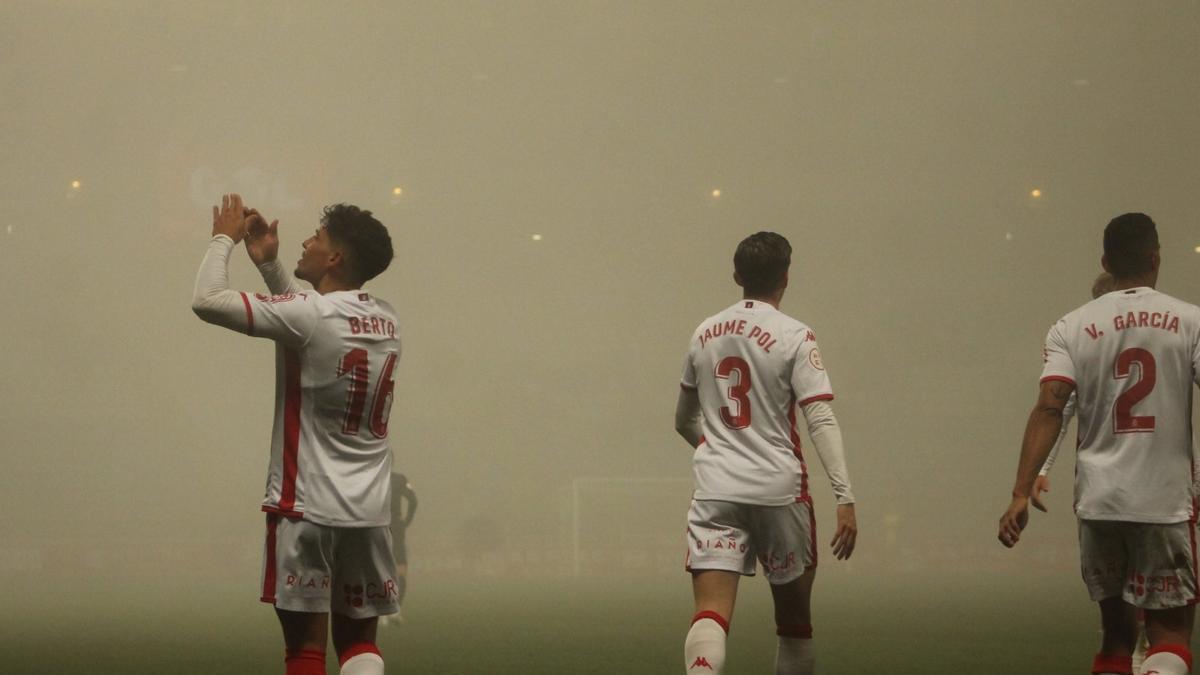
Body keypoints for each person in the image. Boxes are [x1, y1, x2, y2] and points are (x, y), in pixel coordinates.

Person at [193, 194, 401, 675]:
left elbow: (207, 300)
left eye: (317, 237)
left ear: (335, 258)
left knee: (305, 649)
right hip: (368, 510)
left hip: (305, 505)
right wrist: (270, 265)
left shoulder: (310, 317)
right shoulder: (387, 319)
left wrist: (223, 237)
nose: (304, 241)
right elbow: (308, 314)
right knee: (358, 647)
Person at [998, 213, 1200, 675]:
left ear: (1106, 261)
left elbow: (1051, 407)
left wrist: (1019, 491)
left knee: (1116, 636)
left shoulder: (1070, 326)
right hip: (1163, 501)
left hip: (1099, 501)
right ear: (1156, 257)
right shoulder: (1189, 320)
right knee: (1169, 635)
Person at [674, 231, 857, 675]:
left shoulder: (704, 332)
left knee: (711, 614)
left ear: (737, 275)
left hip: (717, 490)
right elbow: (820, 419)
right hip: (780, 492)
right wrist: (844, 496)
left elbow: (683, 420)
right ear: (786, 277)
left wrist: (718, 446)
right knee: (794, 626)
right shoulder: (796, 335)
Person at [379, 472, 417, 626]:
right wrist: (406, 521)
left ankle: (381, 614)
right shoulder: (399, 479)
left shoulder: (369, 477)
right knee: (401, 569)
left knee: (379, 569)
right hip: (395, 525)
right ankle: (395, 611)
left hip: (376, 526)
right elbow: (413, 500)